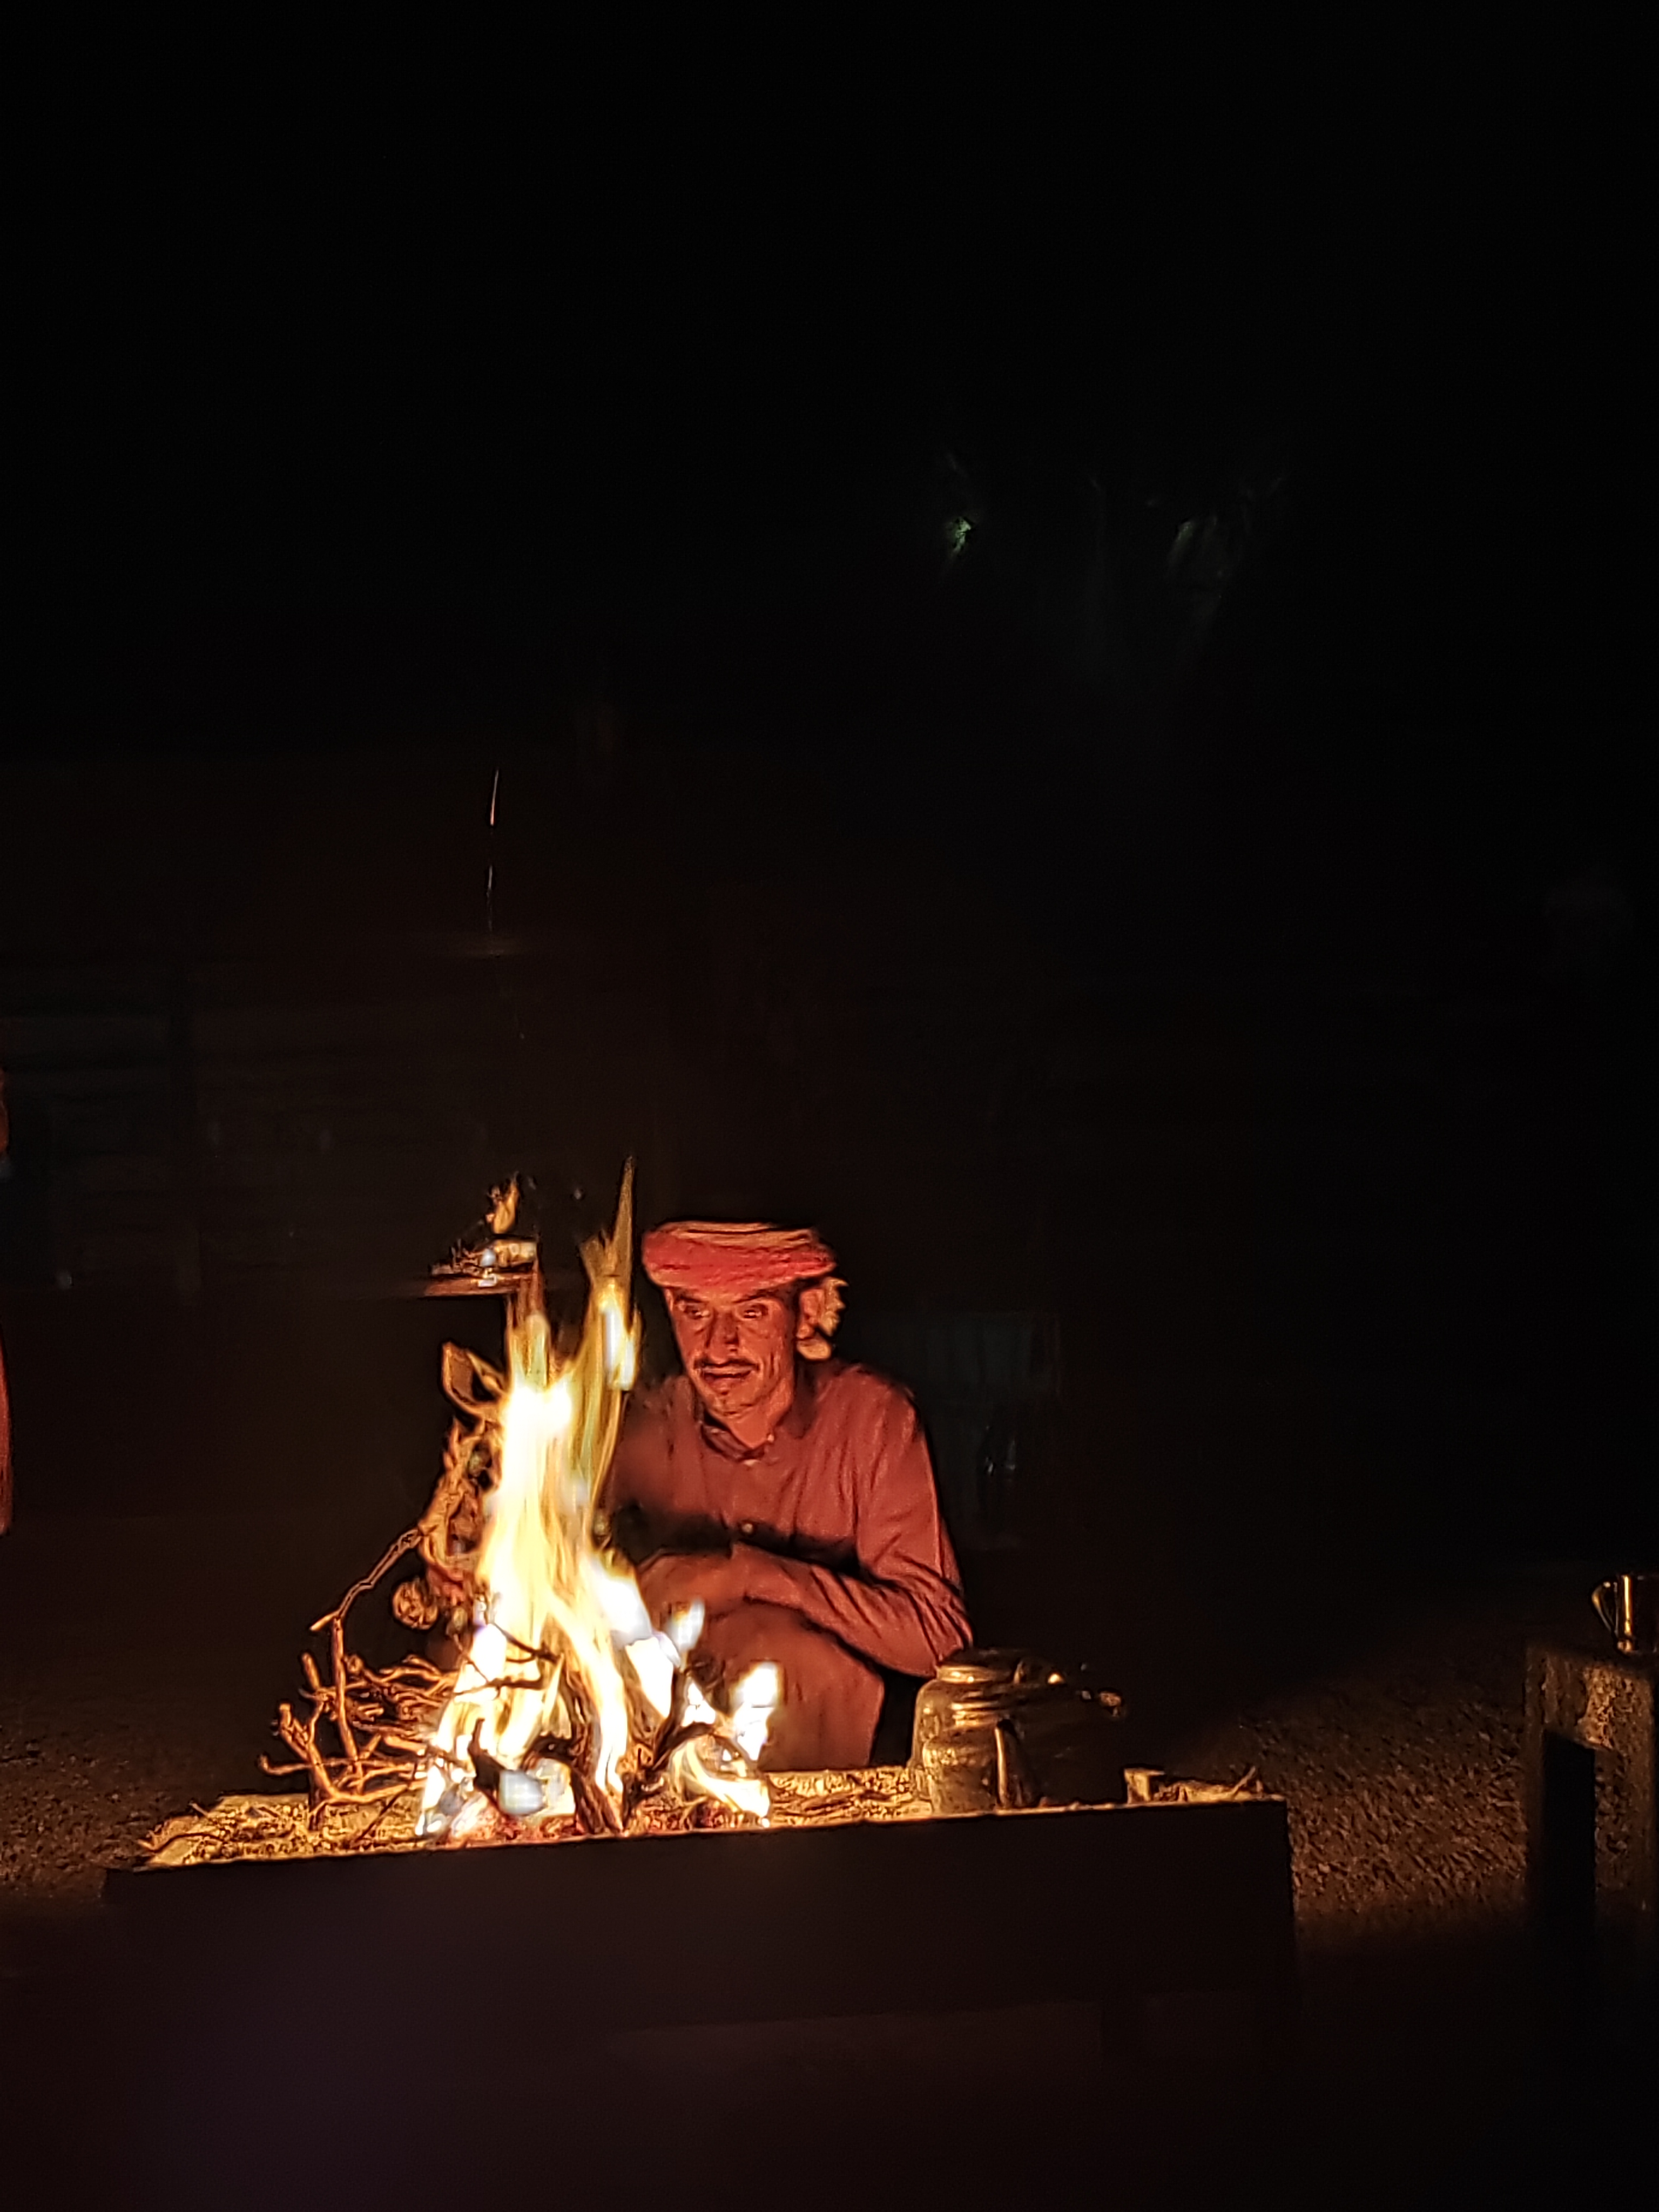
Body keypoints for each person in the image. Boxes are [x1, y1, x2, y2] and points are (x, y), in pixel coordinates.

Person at [602, 1219, 970, 1770]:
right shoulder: (641, 1430)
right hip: (670, 1777)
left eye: (752, 1312)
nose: (718, 1345)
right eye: (694, 1311)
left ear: (806, 1315)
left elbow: (939, 1641)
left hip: (841, 1786)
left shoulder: (872, 1421)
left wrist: (750, 1574)